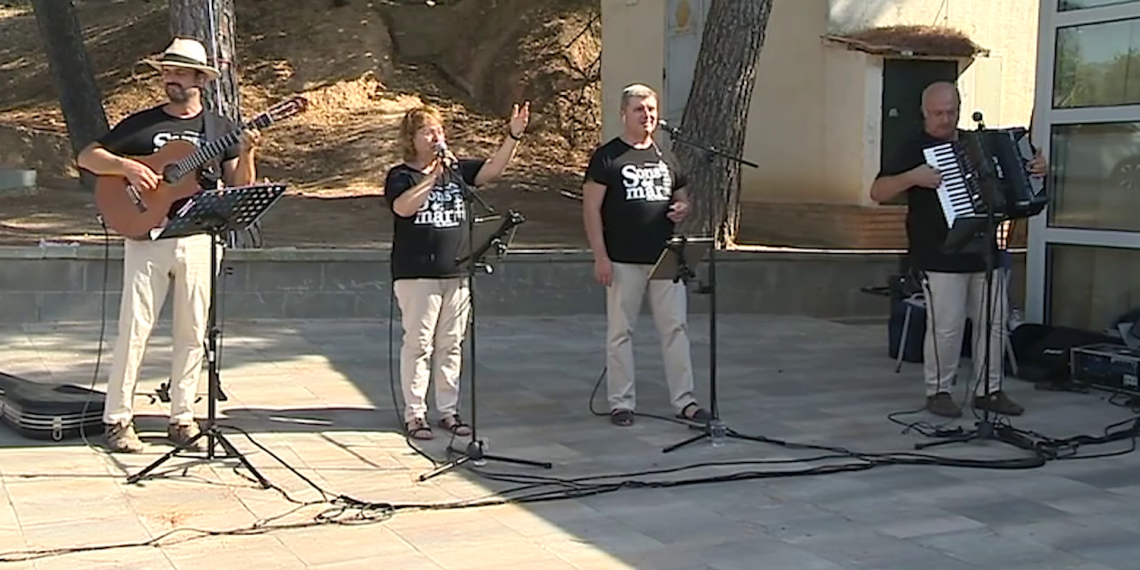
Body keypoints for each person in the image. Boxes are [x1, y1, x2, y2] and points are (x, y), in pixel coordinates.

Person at [77, 38, 261, 453]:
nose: (170, 78)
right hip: (147, 235)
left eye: (179, 72)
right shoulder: (141, 125)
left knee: (193, 332)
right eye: (167, 71)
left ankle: (183, 417)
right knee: (134, 329)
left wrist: (247, 153)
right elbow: (88, 156)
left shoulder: (221, 129)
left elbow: (239, 187)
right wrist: (127, 166)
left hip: (198, 238)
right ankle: (118, 419)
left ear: (200, 79)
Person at [869, 81, 1047, 418]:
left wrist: (1038, 169)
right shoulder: (912, 147)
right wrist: (913, 178)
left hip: (984, 249)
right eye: (938, 113)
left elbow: (1016, 174)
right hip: (938, 252)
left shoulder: (975, 143)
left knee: (993, 323)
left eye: (951, 112)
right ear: (924, 112)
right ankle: (939, 391)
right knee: (946, 326)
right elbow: (878, 191)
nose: (945, 119)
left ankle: (989, 390)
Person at [385, 102, 529, 440]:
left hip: (457, 272)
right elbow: (403, 207)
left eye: (439, 130)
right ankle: (415, 414)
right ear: (412, 138)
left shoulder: (456, 171)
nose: (437, 137)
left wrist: (513, 136)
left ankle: (448, 410)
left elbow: (492, 171)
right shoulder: (401, 175)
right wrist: (432, 177)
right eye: (428, 132)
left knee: (452, 343)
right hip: (417, 272)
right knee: (420, 344)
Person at [581, 83, 709, 427]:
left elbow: (682, 198)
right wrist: (600, 256)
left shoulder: (666, 157)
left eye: (651, 110)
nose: (647, 116)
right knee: (621, 331)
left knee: (675, 329)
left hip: (665, 258)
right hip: (622, 259)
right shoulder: (608, 157)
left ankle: (686, 401)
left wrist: (683, 208)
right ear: (624, 114)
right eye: (639, 109)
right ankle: (621, 402)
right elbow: (591, 209)